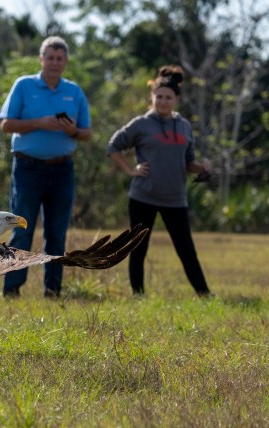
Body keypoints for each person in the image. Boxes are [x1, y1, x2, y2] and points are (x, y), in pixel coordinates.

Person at [106, 65, 212, 297]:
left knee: (186, 250)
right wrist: (131, 170)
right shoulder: (141, 124)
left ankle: (204, 294)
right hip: (143, 196)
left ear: (176, 99)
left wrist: (201, 169)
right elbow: (113, 146)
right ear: (152, 97)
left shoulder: (183, 126)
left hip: (175, 199)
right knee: (138, 248)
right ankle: (138, 294)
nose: (163, 101)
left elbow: (188, 163)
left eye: (168, 98)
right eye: (159, 97)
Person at [0, 36, 92, 298]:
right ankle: (12, 289)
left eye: (59, 58)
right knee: (21, 229)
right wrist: (38, 122)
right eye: (49, 57)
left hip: (62, 170)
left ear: (65, 62)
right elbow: (6, 125)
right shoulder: (24, 86)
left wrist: (73, 130)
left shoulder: (74, 92)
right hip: (27, 169)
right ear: (41, 59)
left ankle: (52, 289)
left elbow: (87, 134)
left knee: (56, 233)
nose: (54, 62)